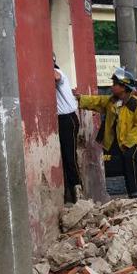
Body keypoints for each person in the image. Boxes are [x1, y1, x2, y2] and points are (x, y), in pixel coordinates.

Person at [77, 68, 137, 198]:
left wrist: (127, 143)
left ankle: (136, 196)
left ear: (123, 86)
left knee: (130, 164)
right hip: (124, 143)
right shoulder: (113, 101)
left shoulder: (136, 105)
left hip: (136, 142)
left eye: (115, 84)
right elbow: (98, 101)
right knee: (129, 168)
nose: (112, 87)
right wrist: (80, 99)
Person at [54, 57, 81, 203]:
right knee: (65, 158)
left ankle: (78, 192)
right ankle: (69, 194)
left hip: (67, 119)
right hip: (62, 120)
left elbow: (56, 77)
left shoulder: (58, 72)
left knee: (70, 158)